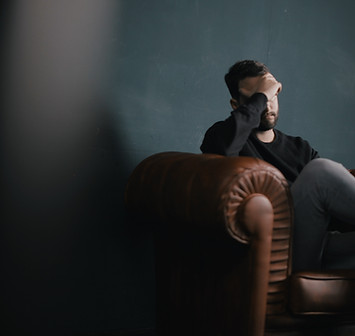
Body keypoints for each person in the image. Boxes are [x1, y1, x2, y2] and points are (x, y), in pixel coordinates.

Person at [201, 60, 355, 271]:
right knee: (320, 171)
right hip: (279, 252)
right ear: (237, 105)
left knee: (322, 170)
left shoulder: (300, 148)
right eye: (258, 96)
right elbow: (223, 153)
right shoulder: (222, 136)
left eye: (273, 94)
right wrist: (262, 95)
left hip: (318, 247)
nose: (268, 104)